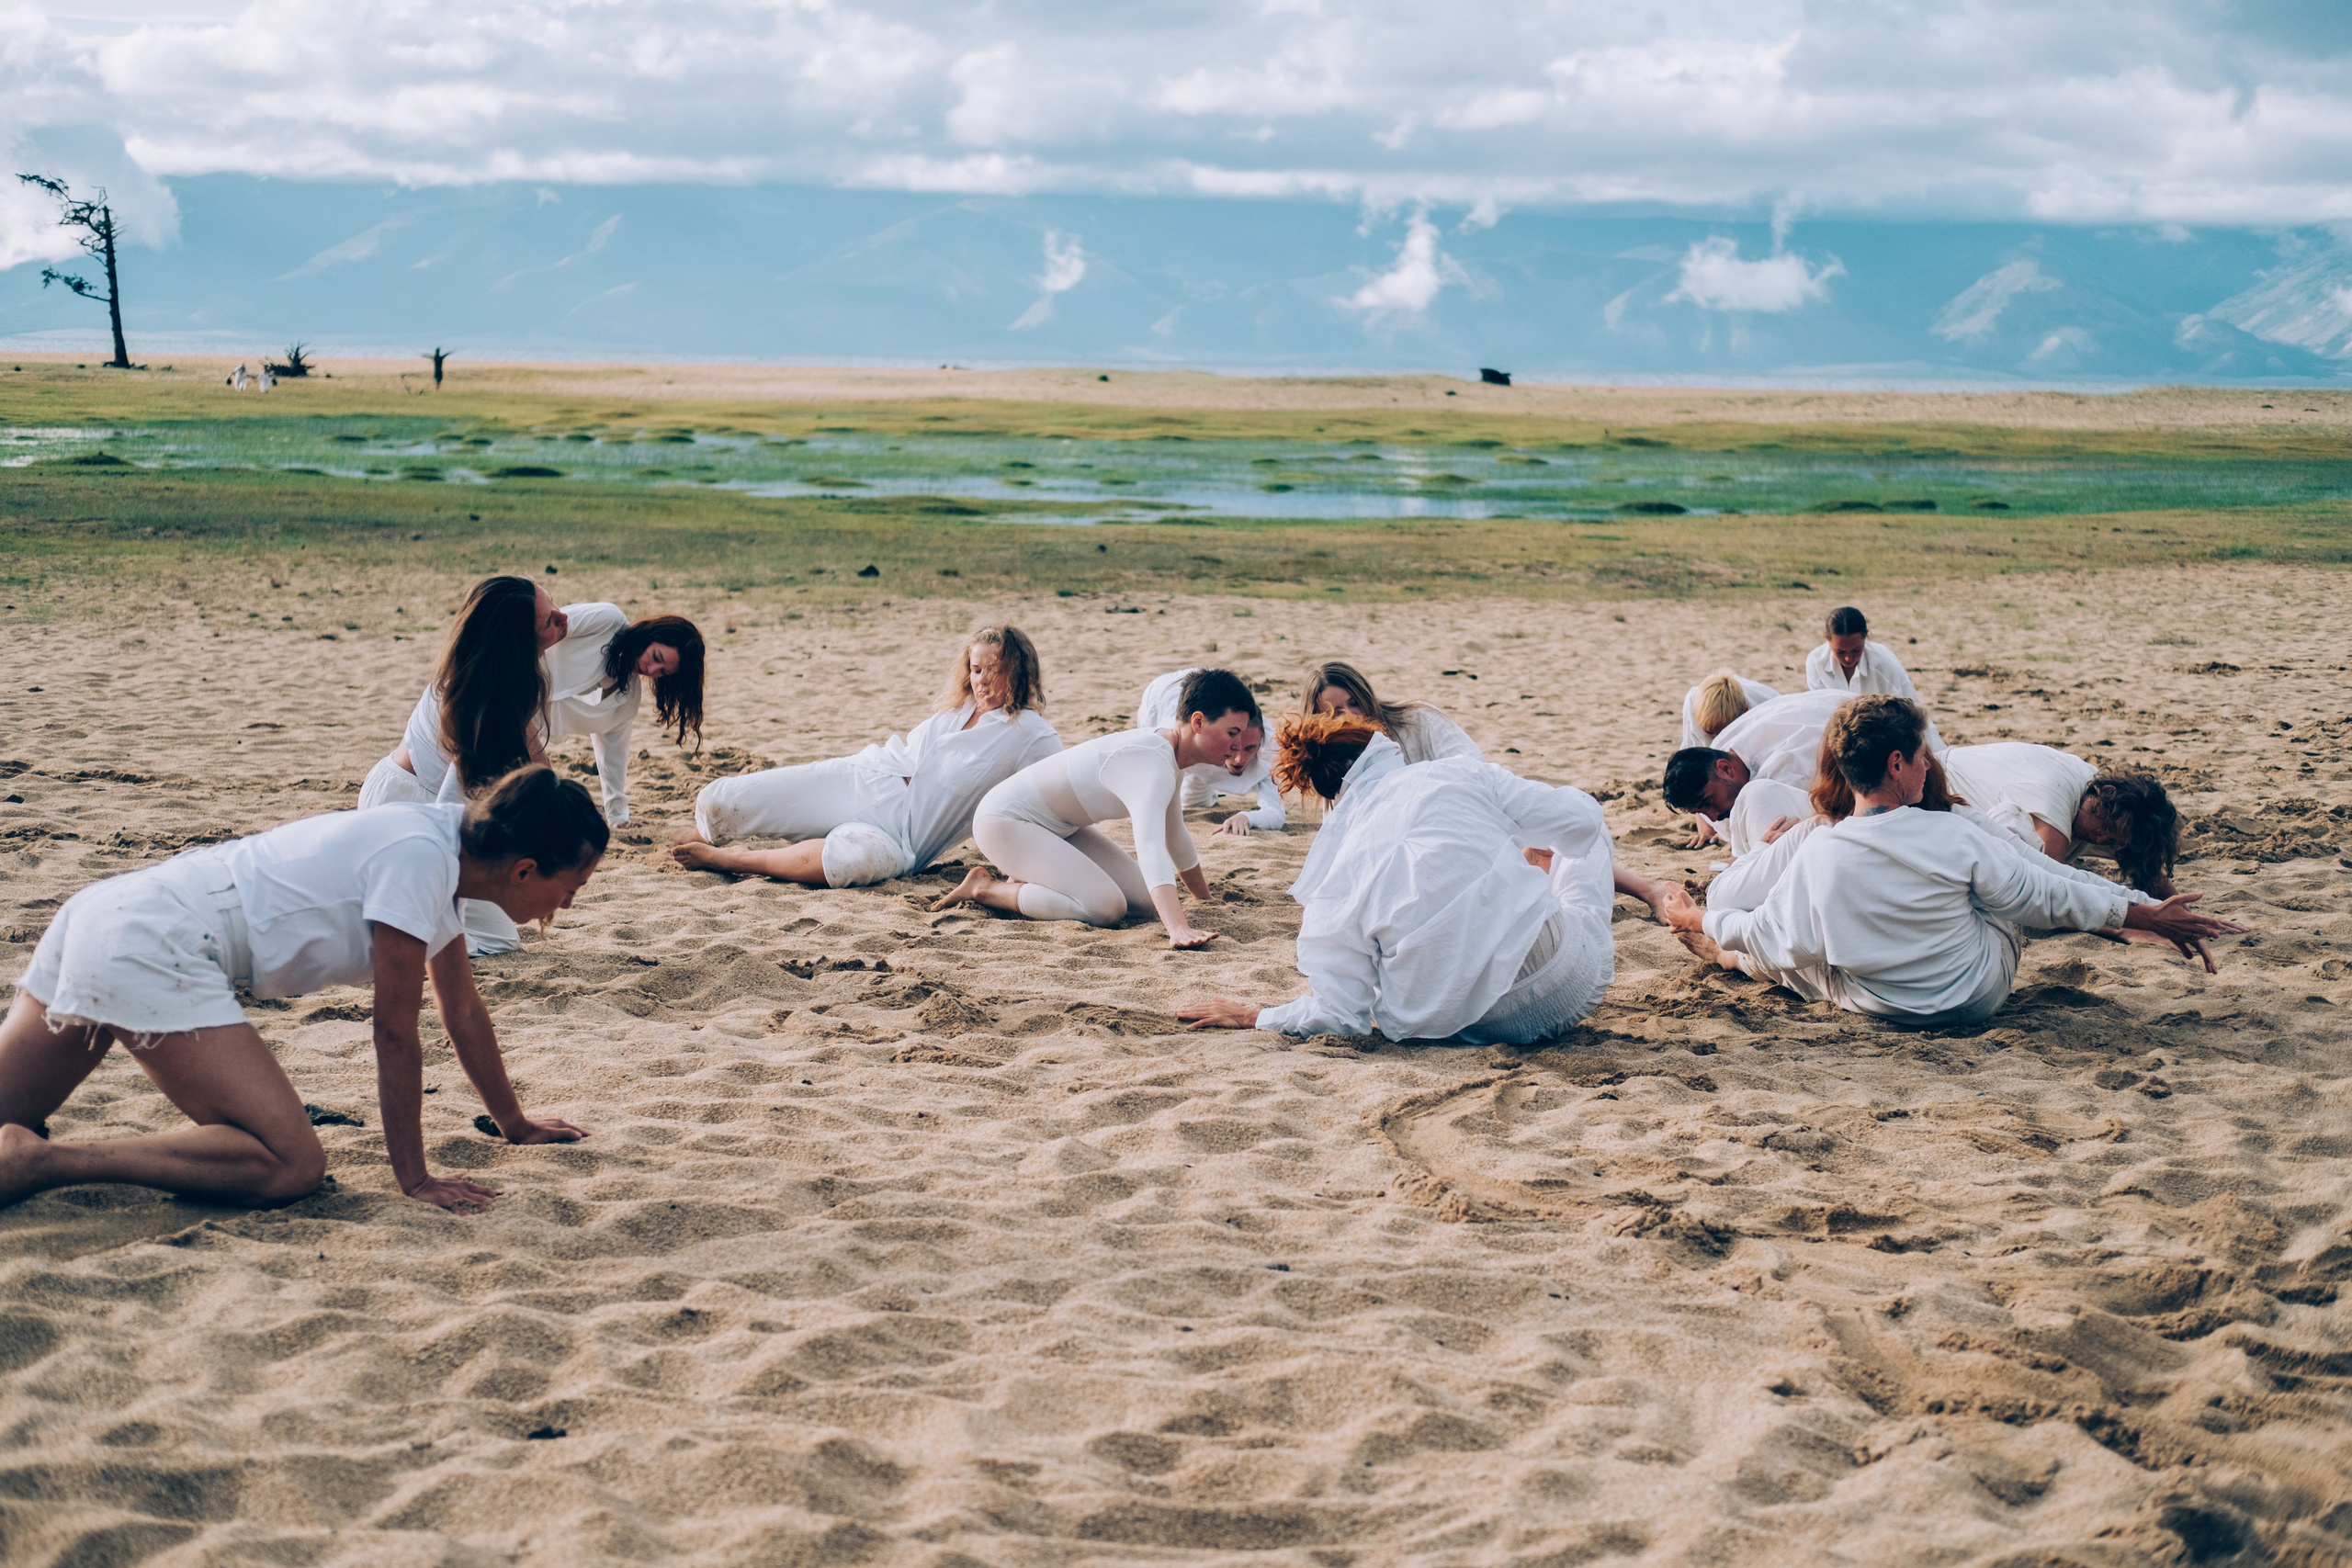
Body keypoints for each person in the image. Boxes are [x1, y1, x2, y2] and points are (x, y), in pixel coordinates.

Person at [0, 765, 606, 1213]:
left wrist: (514, 1122)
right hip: (160, 942)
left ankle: (21, 1150)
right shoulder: (422, 861)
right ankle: (47, 1162)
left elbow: (463, 1010)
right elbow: (395, 1030)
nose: (568, 902)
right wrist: (415, 1178)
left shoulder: (443, 844)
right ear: (525, 868)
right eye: (572, 885)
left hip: (110, 910)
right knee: (292, 1163)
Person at [1659, 697, 2239, 1024]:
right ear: (1896, 764)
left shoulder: (1817, 849)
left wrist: (1698, 921)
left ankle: (1719, 951)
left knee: (1788, 955)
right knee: (2007, 857)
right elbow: (2043, 891)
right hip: (1973, 993)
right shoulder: (1954, 830)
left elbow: (1771, 935)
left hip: (1881, 1003)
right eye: (1921, 756)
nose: (1930, 763)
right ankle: (1724, 941)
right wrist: (2143, 913)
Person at [1176, 713, 1614, 1043]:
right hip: (1565, 983)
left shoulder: (1332, 877)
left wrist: (1257, 1015)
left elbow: (1340, 1016)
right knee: (1590, 829)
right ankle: (1543, 886)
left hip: (1465, 1027)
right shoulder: (1455, 772)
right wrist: (1534, 844)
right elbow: (1579, 820)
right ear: (1381, 751)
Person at [677, 626, 1059, 887]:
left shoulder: (1029, 733)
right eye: (976, 669)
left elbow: (1060, 796)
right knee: (717, 802)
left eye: (995, 670)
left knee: (850, 861)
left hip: (899, 836)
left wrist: (1026, 864)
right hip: (863, 780)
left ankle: (734, 860)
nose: (982, 681)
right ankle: (697, 840)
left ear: (1019, 672)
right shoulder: (956, 711)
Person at [933, 669, 1256, 947]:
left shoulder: (1170, 757)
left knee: (1143, 901)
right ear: (1197, 722)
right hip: (1003, 821)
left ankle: (1029, 873)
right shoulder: (1153, 762)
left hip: (1056, 827)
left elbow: (1175, 835)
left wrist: (1205, 900)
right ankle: (985, 888)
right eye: (1232, 733)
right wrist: (1178, 928)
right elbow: (1150, 847)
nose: (1238, 747)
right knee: (1105, 907)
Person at [360, 576, 567, 954]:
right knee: (495, 940)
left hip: (399, 789)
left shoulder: (491, 671)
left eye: (555, 604)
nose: (562, 617)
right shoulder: (484, 698)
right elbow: (450, 809)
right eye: (548, 619)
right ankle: (389, 930)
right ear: (518, 642)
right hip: (412, 809)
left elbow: (536, 759)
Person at [1665, 689, 1945, 844]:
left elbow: (1824, 833)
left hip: (1916, 760)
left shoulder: (1785, 768)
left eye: (1708, 802)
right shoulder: (1726, 744)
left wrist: (1760, 853)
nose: (1713, 817)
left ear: (1725, 769)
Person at [1941, 742, 2180, 896]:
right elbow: (2050, 895)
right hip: (1930, 790)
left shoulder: (2100, 804)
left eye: (2113, 841)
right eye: (2106, 827)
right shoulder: (2052, 798)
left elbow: (2147, 873)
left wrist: (2182, 913)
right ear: (2105, 793)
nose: (2100, 838)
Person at [542, 606, 706, 829]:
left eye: (662, 672)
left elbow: (612, 754)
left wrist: (618, 817)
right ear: (651, 635)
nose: (651, 669)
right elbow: (543, 625)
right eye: (656, 656)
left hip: (520, 733)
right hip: (497, 689)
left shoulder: (626, 698)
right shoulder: (607, 621)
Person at [1136, 667, 1283, 836]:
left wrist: (1246, 817)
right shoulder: (1173, 733)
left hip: (1211, 694)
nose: (1239, 759)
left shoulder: (1270, 747)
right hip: (1165, 695)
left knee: (1197, 803)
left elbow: (1276, 812)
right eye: (1232, 737)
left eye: (1250, 748)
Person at [1300, 660, 1480, 764]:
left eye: (1355, 703)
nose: (1351, 716)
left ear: (1366, 696)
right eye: (1336, 714)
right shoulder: (1333, 761)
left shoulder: (1419, 718)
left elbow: (1473, 766)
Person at [1805, 605, 1919, 699]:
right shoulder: (1816, 663)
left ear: (1865, 637)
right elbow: (1821, 710)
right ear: (1828, 640)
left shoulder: (1884, 662)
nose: (1848, 658)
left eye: (1856, 650)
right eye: (1840, 652)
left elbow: (1910, 707)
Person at [1679, 671, 1780, 750]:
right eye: (1709, 732)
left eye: (1722, 732)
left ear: (1745, 712)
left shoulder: (1768, 710)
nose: (1717, 738)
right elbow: (1691, 750)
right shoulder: (1693, 702)